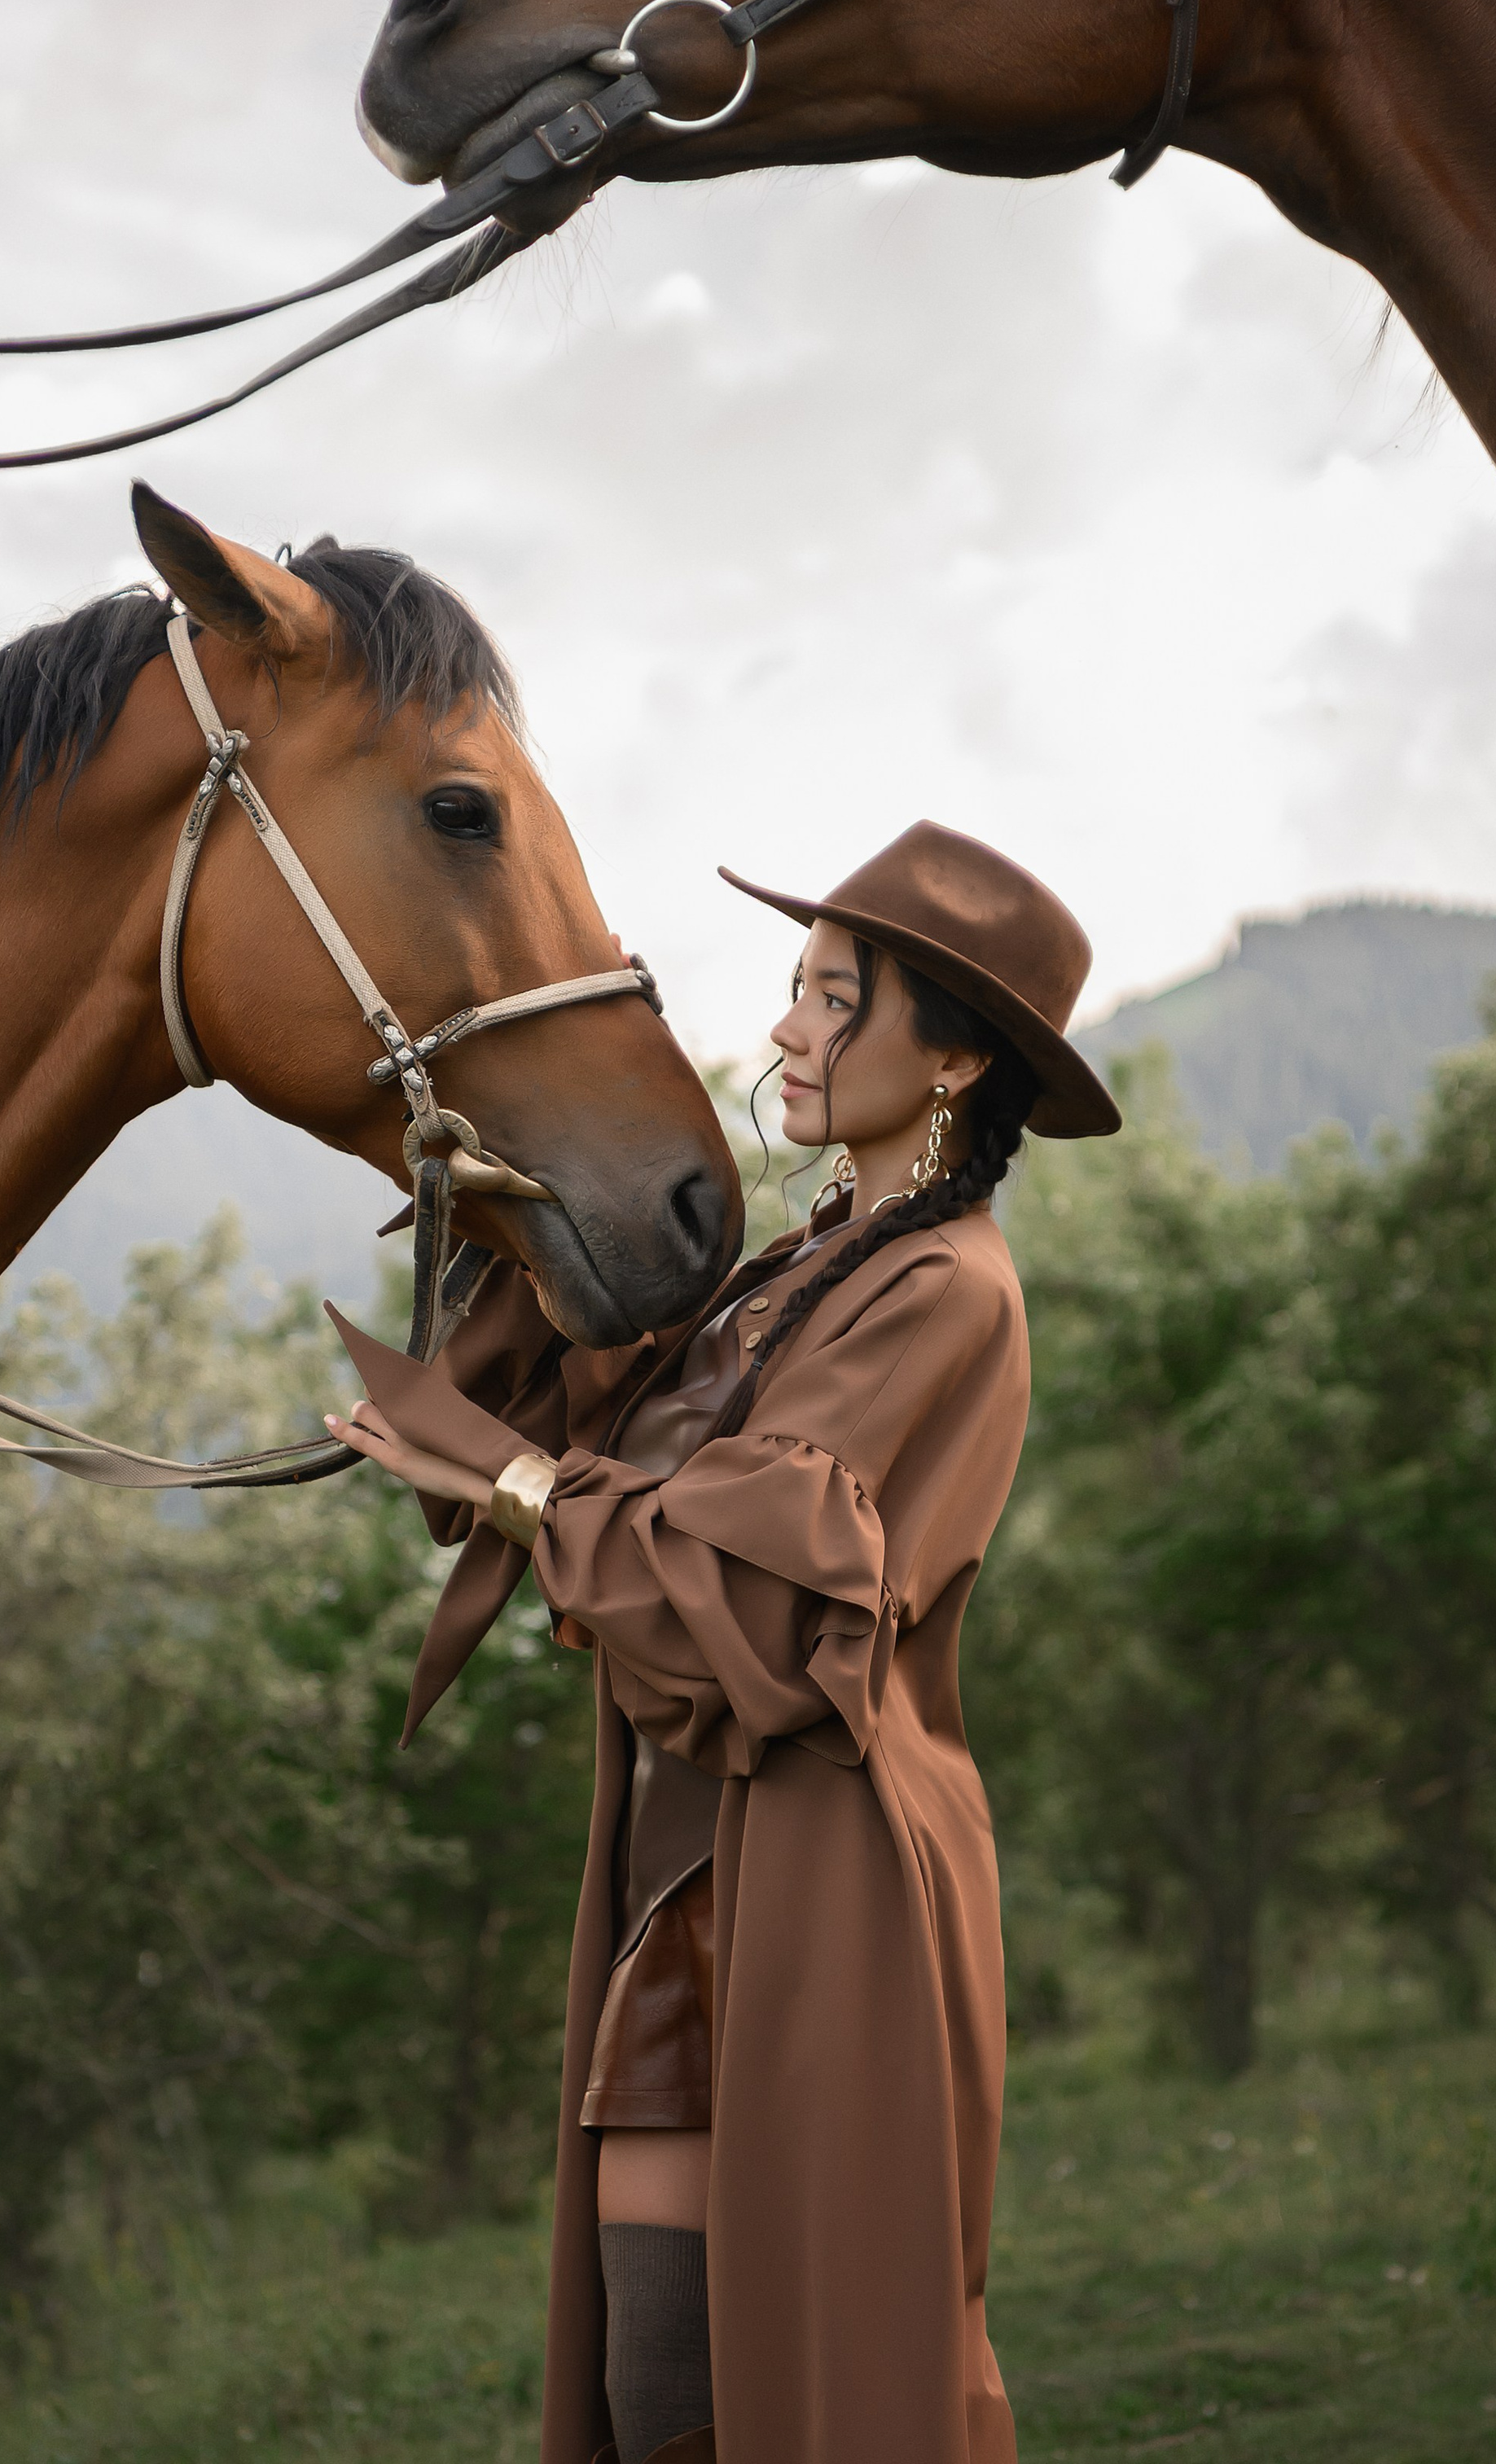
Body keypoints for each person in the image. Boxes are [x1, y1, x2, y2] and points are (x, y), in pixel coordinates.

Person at [325, 821, 1120, 2464]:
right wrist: (501, 1229)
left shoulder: (946, 1297)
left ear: (955, 1056)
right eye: (794, 993)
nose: (783, 1034)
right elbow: (597, 1449)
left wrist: (522, 1485)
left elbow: (742, 1602)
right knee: (665, 2384)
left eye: (834, 1001)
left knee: (777, 2374)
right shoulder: (802, 1270)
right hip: (683, 1865)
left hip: (817, 1867)